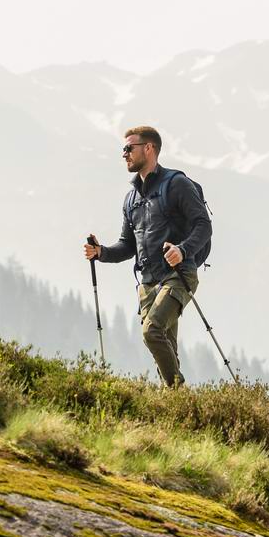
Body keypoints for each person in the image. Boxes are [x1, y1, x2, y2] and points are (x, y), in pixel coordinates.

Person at [84, 126, 212, 387]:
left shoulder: (177, 184)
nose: (124, 154)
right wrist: (101, 253)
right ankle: (176, 407)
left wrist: (182, 249)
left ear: (149, 148)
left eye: (129, 148)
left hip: (178, 275)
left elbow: (203, 224)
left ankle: (177, 394)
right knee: (164, 346)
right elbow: (127, 245)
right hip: (148, 282)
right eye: (124, 149)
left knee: (151, 331)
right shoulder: (131, 198)